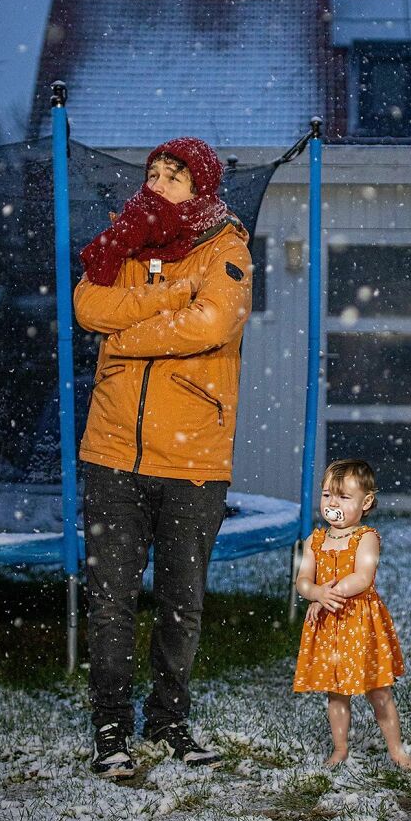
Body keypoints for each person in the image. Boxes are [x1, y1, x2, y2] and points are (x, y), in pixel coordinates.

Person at [74, 137, 252, 778]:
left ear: (199, 188)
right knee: (111, 600)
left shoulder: (227, 247)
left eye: (174, 177)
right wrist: (169, 297)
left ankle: (170, 722)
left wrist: (127, 336)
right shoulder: (122, 241)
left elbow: (212, 324)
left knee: (181, 601)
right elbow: (87, 305)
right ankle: (111, 729)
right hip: (112, 452)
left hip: (193, 461)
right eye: (153, 174)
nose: (158, 184)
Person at [293, 459, 411, 770]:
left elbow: (362, 577)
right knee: (336, 694)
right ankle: (340, 748)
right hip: (330, 627)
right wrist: (316, 593)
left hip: (360, 624)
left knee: (379, 692)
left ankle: (396, 750)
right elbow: (303, 581)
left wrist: (329, 594)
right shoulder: (314, 541)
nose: (332, 504)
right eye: (327, 495)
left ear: (366, 502)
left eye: (343, 497)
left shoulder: (366, 538)